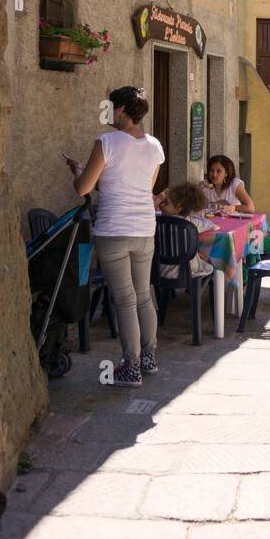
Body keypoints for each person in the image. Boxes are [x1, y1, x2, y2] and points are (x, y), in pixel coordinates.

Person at [65, 85, 164, 388]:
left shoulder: (105, 142)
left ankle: (130, 367)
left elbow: (83, 188)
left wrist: (77, 172)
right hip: (145, 228)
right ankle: (149, 358)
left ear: (120, 110)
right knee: (143, 295)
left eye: (110, 107)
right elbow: (141, 187)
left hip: (113, 229)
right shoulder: (154, 146)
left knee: (124, 299)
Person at [157, 182, 216, 279]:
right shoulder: (191, 223)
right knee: (211, 263)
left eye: (166, 203)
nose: (161, 205)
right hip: (187, 270)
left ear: (179, 208)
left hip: (160, 269)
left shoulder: (157, 220)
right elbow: (211, 226)